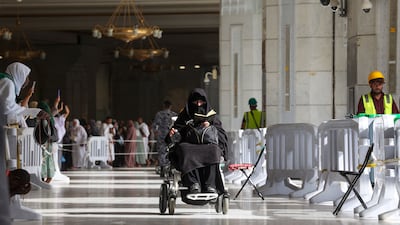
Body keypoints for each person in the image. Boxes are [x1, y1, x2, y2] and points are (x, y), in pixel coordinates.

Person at [0, 62, 47, 225]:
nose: (26, 81)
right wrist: (33, 112)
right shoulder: (7, 83)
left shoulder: (6, 82)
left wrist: (32, 112)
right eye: (25, 77)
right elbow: (8, 109)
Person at [169, 88, 228, 194]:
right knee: (184, 150)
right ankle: (193, 183)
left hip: (208, 145)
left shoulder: (212, 116)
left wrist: (210, 127)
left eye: (201, 101)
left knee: (214, 150)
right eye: (195, 102)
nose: (199, 104)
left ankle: (210, 185)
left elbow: (221, 134)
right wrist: (173, 132)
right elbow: (176, 130)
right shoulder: (185, 115)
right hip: (189, 144)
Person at [152, 100, 177, 174]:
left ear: (164, 105)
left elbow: (155, 126)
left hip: (161, 136)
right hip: (171, 136)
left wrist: (156, 134)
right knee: (171, 151)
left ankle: (163, 168)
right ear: (170, 106)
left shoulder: (159, 114)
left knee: (161, 152)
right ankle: (170, 168)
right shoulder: (174, 115)